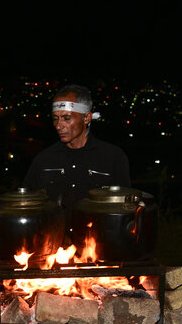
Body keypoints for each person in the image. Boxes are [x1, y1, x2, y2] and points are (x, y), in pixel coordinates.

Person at [23, 84, 130, 225]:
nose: (58, 125)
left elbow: (125, 207)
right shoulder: (43, 160)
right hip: (53, 242)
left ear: (86, 118)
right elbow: (26, 203)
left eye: (67, 118)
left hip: (94, 243)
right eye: (55, 118)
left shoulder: (113, 158)